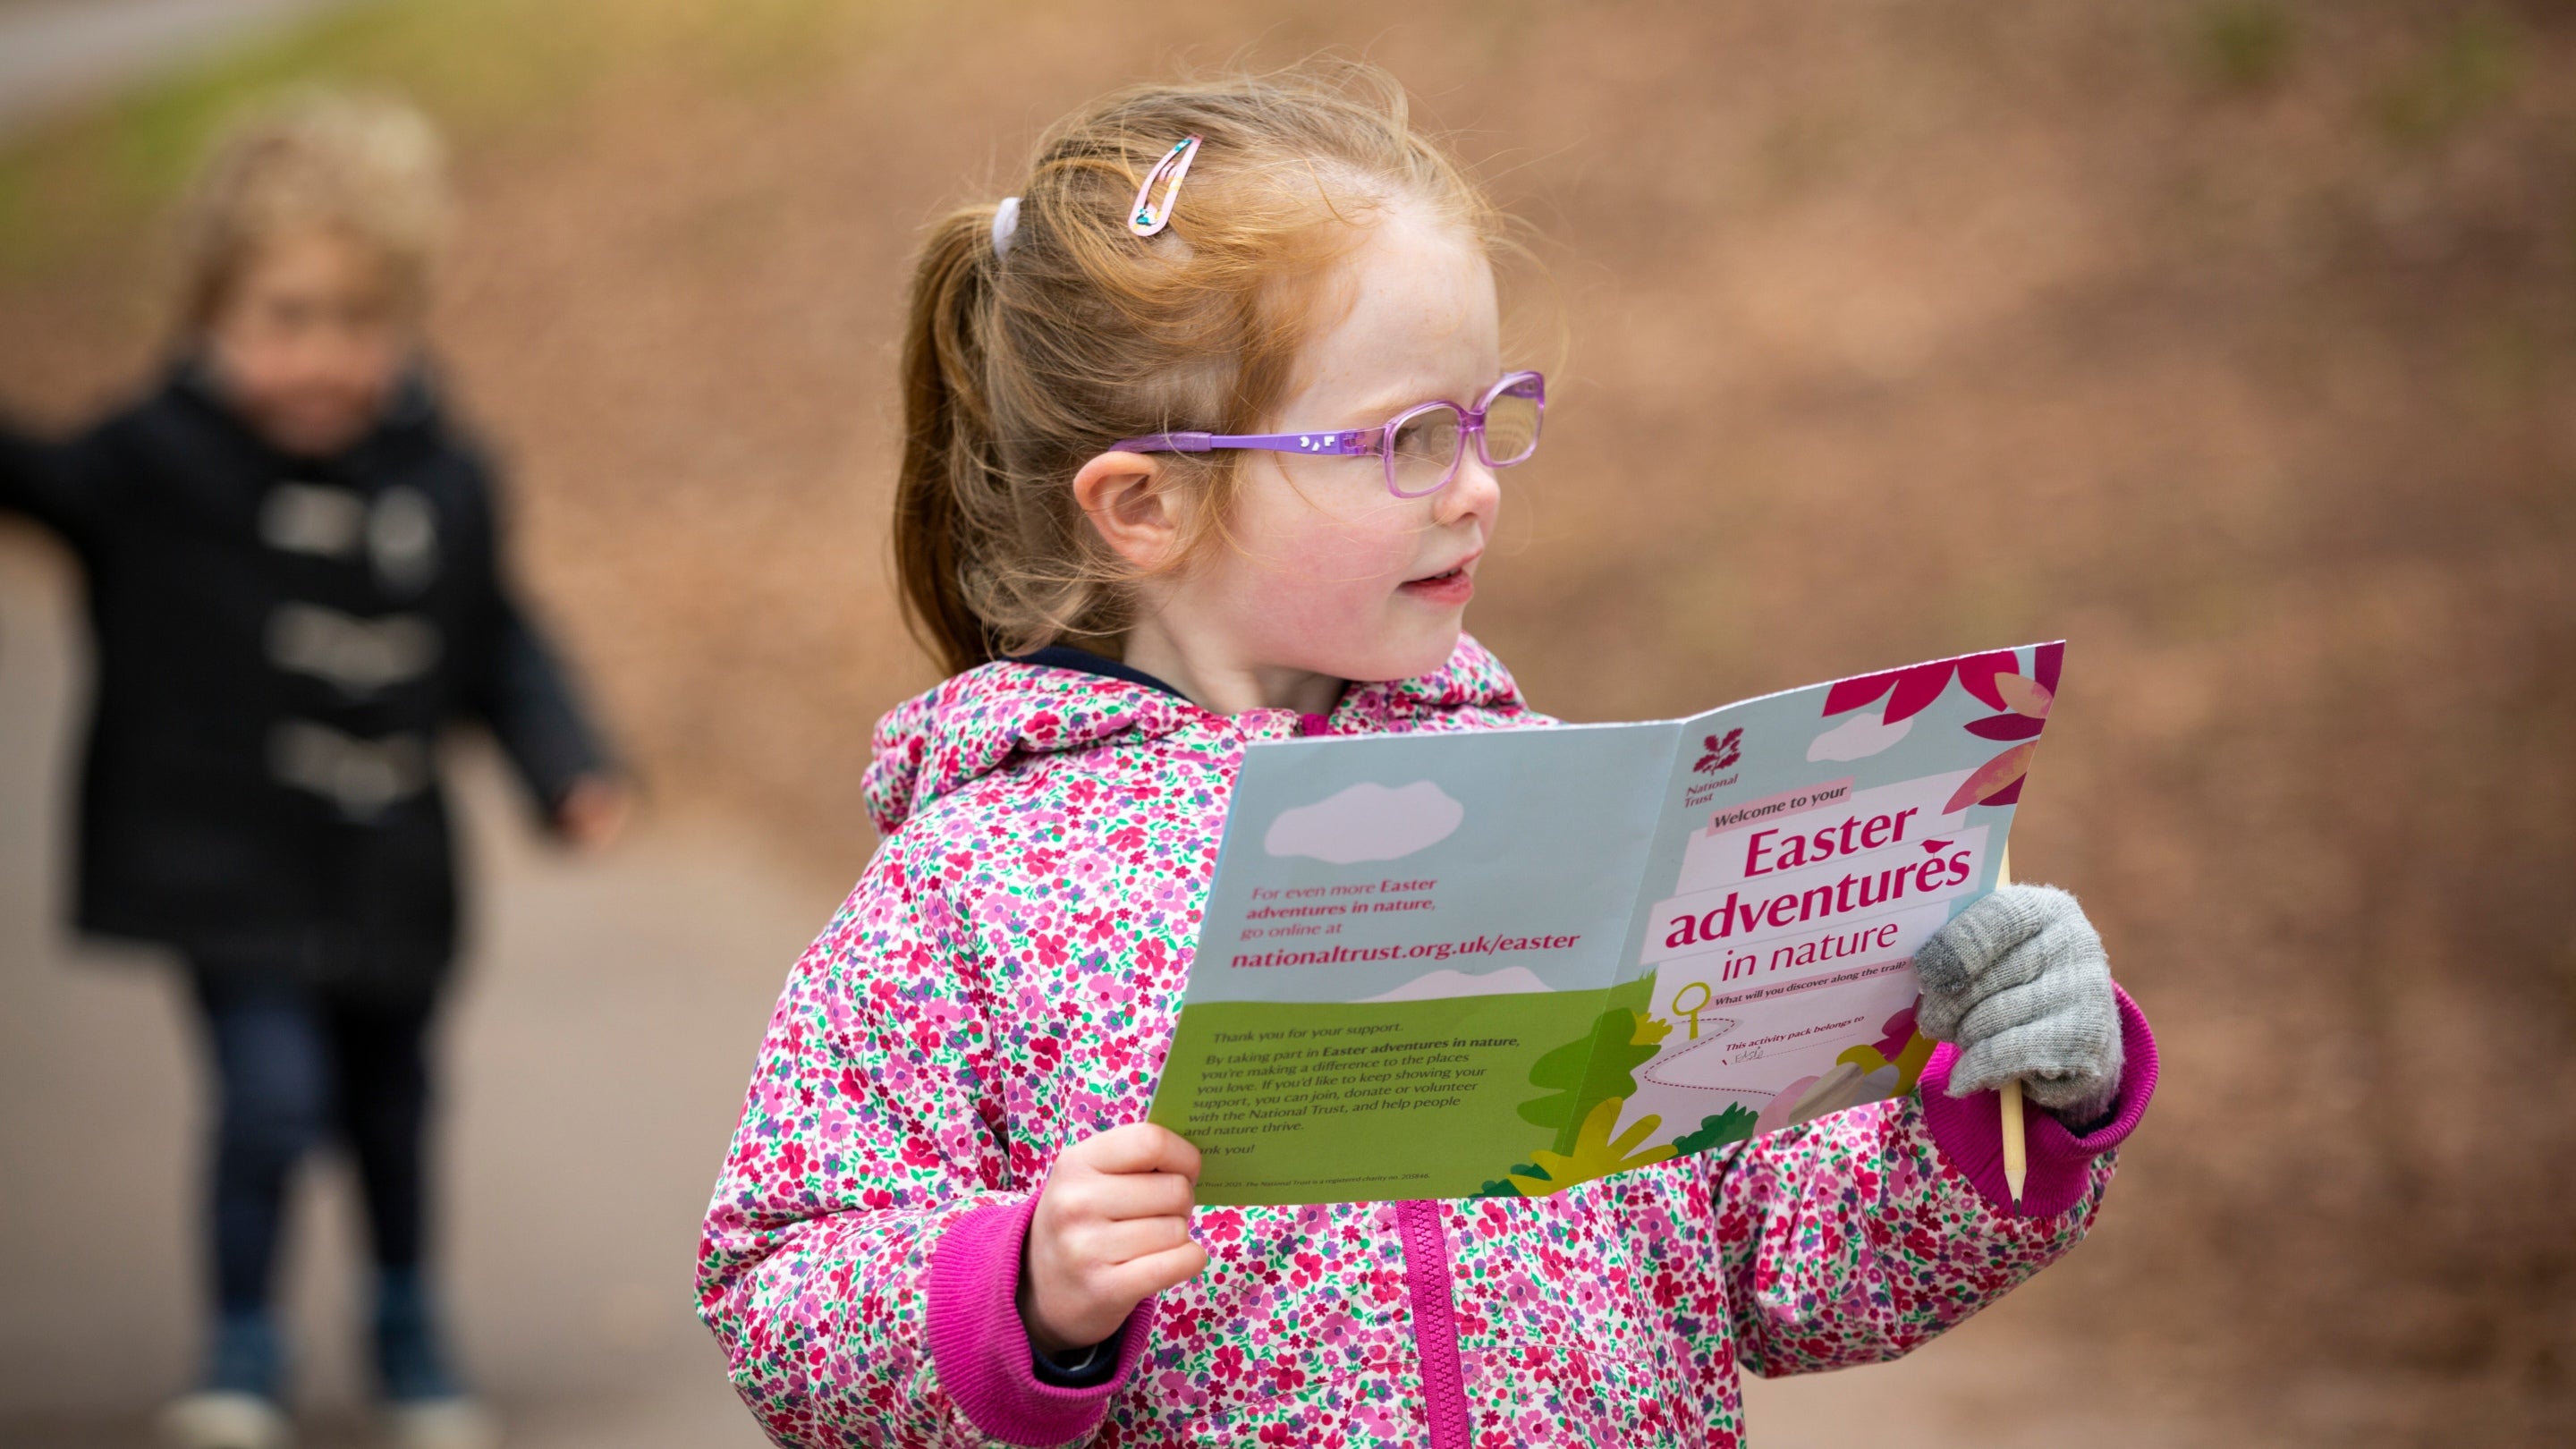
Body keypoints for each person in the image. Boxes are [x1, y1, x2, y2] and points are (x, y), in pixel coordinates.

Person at [695, 63, 2156, 1446]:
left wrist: (2010, 1104)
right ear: (1144, 506)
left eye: (1488, 421)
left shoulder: (1560, 805)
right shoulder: (969, 892)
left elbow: (1764, 1251)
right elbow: (772, 1289)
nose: (1474, 493)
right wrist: (1023, 1290)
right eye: (1403, 443)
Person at [0, 92, 627, 1449]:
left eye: (355, 320)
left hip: (389, 861)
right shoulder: (156, 461)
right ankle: (241, 1348)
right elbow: (35, 474)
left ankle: (411, 1332)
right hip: (226, 861)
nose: (321, 358)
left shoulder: (444, 474)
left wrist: (566, 765)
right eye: (284, 319)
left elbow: (499, 641)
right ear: (212, 319)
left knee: (394, 1106)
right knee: (272, 1098)